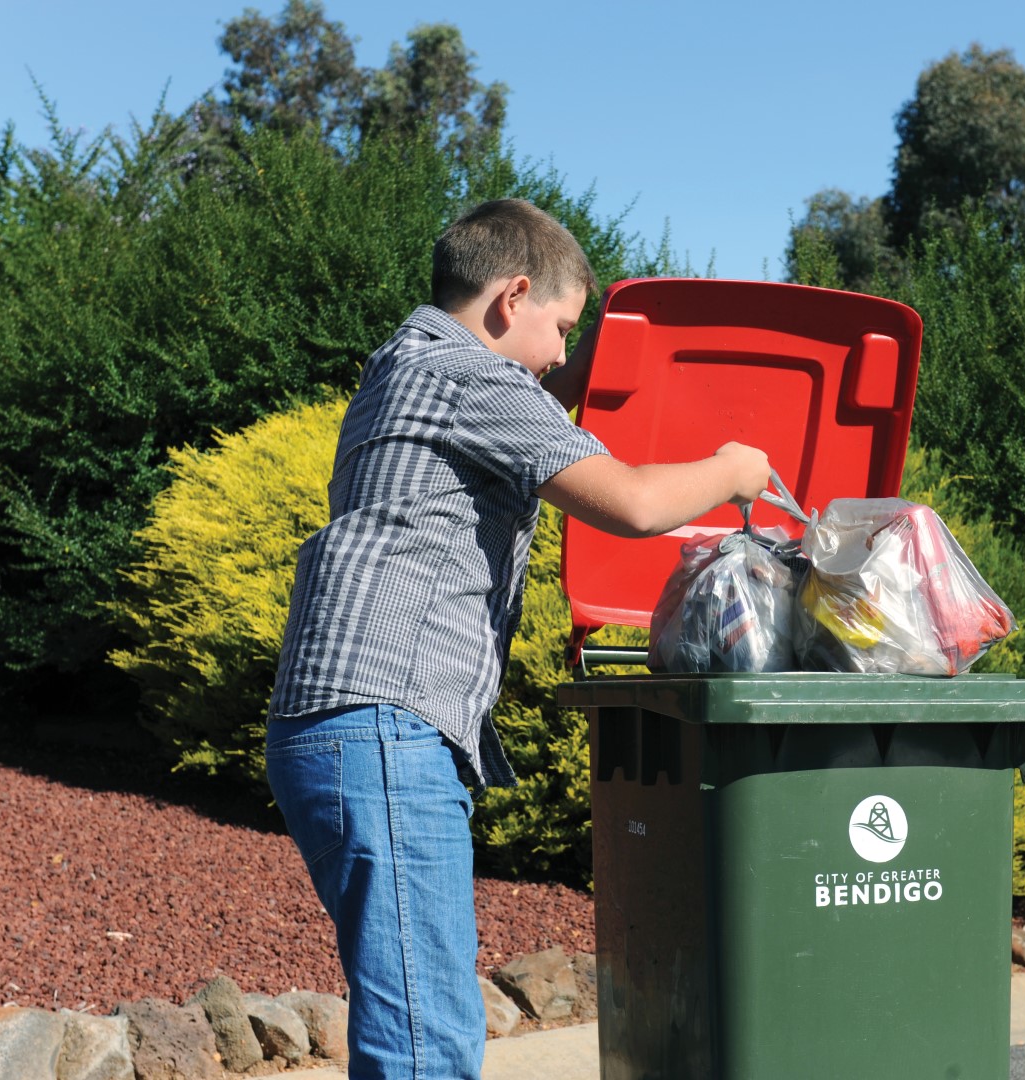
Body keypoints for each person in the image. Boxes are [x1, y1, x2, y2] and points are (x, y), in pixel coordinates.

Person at [265, 197, 770, 1080]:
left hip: (356, 724)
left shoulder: (413, 363)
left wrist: (605, 365)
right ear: (513, 296)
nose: (565, 355)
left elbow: (540, 401)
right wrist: (733, 470)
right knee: (426, 1037)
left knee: (414, 1013)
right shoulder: (468, 378)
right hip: (387, 722)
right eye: (564, 329)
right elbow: (636, 505)